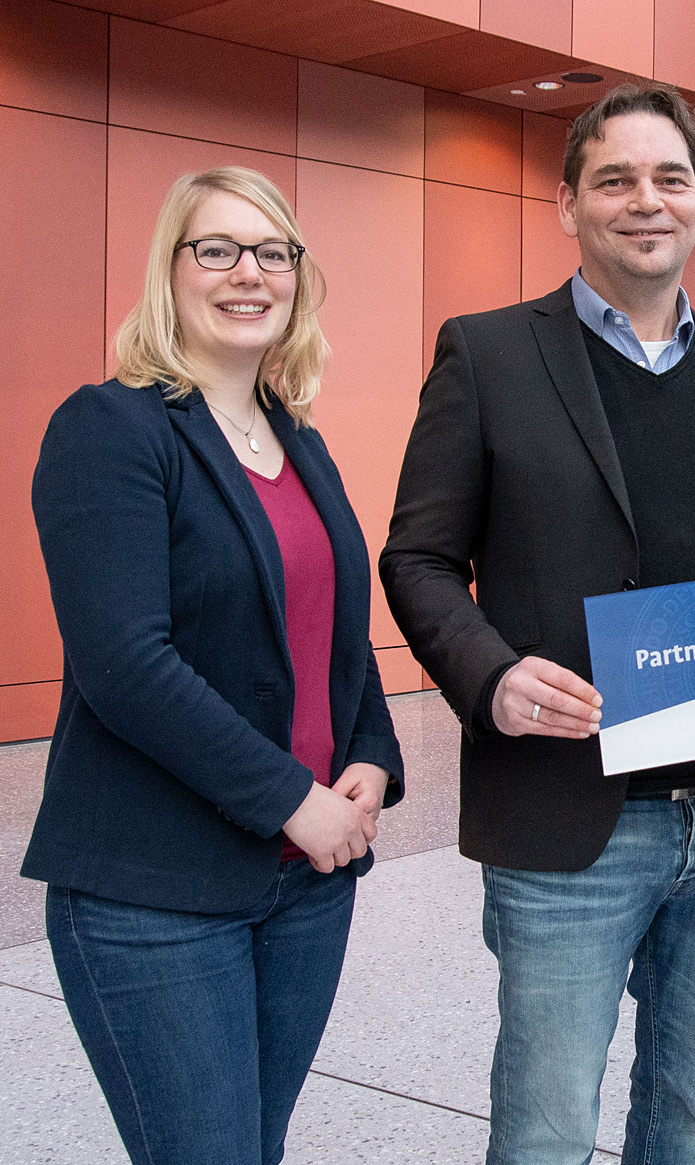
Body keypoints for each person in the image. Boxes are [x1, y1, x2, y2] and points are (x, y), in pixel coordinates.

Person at [379, 85, 695, 1165]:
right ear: (567, 203)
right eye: (616, 179)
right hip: (566, 821)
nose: (647, 201)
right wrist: (490, 674)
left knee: (692, 1118)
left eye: (670, 178)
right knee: (544, 1132)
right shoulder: (486, 355)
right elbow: (418, 556)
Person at [24, 166, 405, 1165]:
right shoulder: (112, 428)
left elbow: (336, 631)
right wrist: (293, 796)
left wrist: (370, 755)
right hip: (156, 891)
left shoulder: (295, 437)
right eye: (218, 249)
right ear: (172, 271)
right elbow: (124, 663)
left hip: (307, 884)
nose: (250, 272)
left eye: (273, 252)